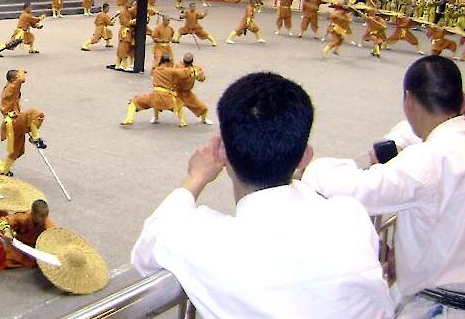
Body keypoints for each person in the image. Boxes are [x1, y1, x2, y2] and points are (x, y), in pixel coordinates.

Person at [132, 72, 394, 318]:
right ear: (305, 157)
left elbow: (145, 252)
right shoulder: (350, 217)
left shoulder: (208, 243)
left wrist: (195, 177)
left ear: (223, 152)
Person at [304, 56, 465, 317]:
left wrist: (311, 166)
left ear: (408, 101)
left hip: (451, 308)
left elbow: (358, 188)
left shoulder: (431, 159)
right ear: (462, 100)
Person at [121, 56, 191, 127]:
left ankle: (129, 119)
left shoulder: (156, 70)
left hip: (155, 95)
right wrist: (190, 69)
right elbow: (183, 73)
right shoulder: (171, 71)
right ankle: (183, 122)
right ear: (168, 62)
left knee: (134, 101)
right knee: (179, 104)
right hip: (167, 97)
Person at [0, 200, 56, 268]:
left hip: (35, 247)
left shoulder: (48, 224)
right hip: (18, 243)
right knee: (4, 260)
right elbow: (1, 221)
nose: (45, 219)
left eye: (46, 215)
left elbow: (55, 238)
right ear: (33, 214)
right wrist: (7, 232)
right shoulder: (23, 217)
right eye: (42, 216)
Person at [0, 108, 45, 176]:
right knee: (15, 151)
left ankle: (5, 169)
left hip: (18, 128)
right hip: (15, 129)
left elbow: (33, 128)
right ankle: (4, 171)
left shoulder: (34, 116)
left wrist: (36, 139)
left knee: (19, 151)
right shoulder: (34, 118)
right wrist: (36, 139)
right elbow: (33, 127)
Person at [175, 53, 213, 125]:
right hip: (177, 91)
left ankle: (204, 119)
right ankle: (156, 117)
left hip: (187, 93)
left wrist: (198, 76)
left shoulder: (196, 68)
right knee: (161, 102)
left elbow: (202, 79)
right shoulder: (178, 66)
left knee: (203, 108)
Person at [115, 0, 137, 71]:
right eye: (130, 3)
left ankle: (118, 64)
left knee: (122, 48)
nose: (131, 4)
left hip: (127, 30)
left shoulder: (127, 11)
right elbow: (126, 22)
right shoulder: (123, 12)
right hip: (125, 31)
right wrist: (133, 21)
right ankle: (125, 66)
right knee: (124, 48)